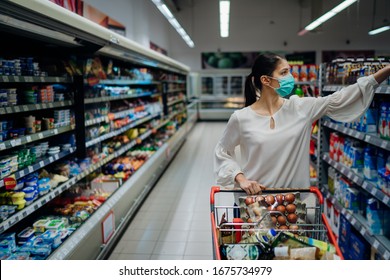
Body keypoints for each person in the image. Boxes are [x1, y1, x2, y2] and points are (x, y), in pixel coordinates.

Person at [214, 53, 390, 195]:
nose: (290, 77)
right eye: (283, 73)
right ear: (266, 80)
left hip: (293, 204)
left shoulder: (301, 108)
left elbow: (340, 98)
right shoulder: (241, 118)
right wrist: (240, 178)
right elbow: (222, 152)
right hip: (253, 202)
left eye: (289, 71)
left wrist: (385, 72)